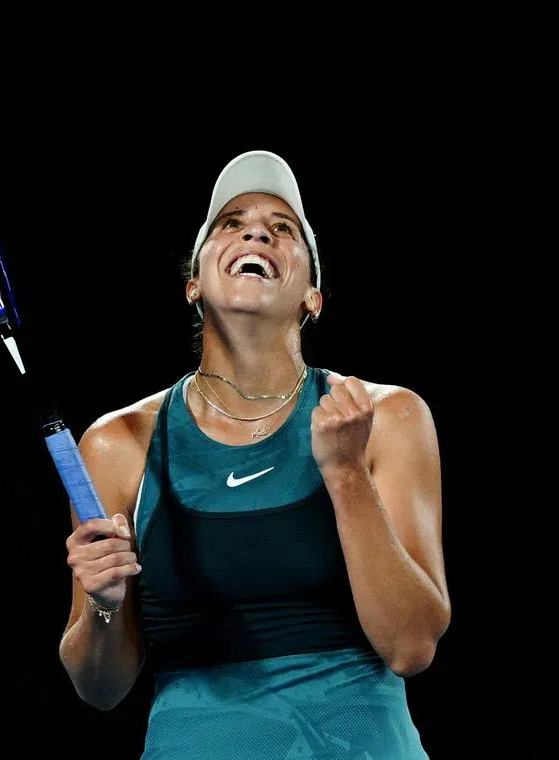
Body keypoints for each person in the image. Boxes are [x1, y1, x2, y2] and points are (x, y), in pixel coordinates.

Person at [59, 149, 451, 758]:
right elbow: (101, 689)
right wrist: (104, 607)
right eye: (230, 223)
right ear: (194, 284)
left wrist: (346, 474)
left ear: (312, 297)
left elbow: (411, 645)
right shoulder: (118, 444)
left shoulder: (386, 417)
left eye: (282, 228)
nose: (256, 231)